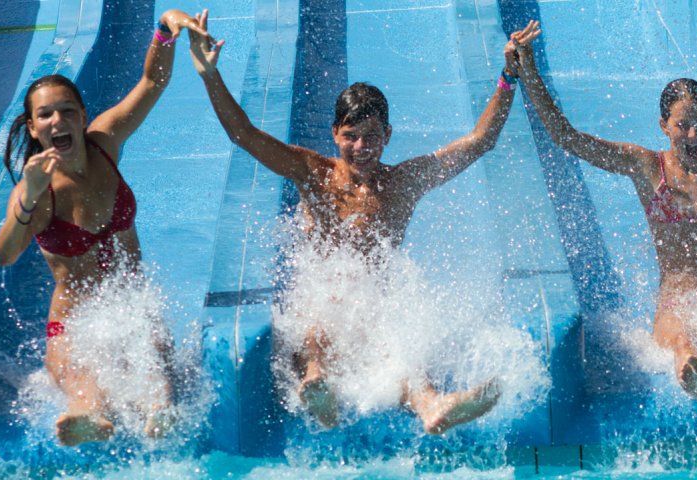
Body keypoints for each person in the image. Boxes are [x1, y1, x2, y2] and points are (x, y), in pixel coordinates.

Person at [188, 13, 539, 433]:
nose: (362, 147)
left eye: (372, 136)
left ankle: (430, 405)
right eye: (352, 135)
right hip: (322, 311)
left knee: (403, 338)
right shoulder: (312, 173)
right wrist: (210, 76)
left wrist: (507, 76)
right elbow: (243, 134)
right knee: (313, 321)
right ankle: (318, 385)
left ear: (388, 135)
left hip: (374, 311)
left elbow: (480, 142)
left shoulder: (403, 183)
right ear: (335, 132)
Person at [507, 21, 697, 407]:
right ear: (664, 126)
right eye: (683, 125)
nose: (694, 135)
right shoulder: (645, 167)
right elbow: (566, 137)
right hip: (675, 308)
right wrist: (527, 71)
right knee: (681, 341)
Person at [0, 10, 211, 446]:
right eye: (45, 115)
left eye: (66, 111)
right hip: (74, 322)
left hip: (130, 307)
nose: (57, 121)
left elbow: (151, 84)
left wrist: (165, 29)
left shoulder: (104, 143)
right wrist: (29, 197)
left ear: (82, 115)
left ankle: (154, 415)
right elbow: (4, 255)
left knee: (159, 388)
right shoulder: (34, 190)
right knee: (84, 389)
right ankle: (86, 417)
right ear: (34, 128)